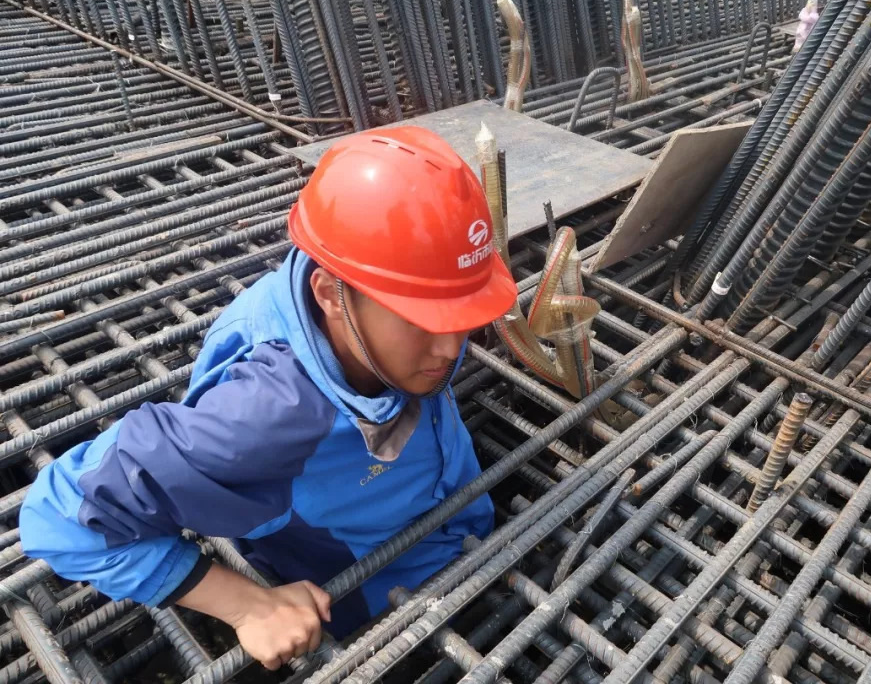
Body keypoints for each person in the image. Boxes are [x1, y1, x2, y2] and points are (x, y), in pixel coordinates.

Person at [19, 127, 518, 670]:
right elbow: (57, 517)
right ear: (330, 293)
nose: (453, 346)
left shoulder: (365, 299)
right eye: (424, 319)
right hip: (383, 599)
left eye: (462, 313)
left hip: (457, 526)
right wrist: (246, 606)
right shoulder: (266, 418)